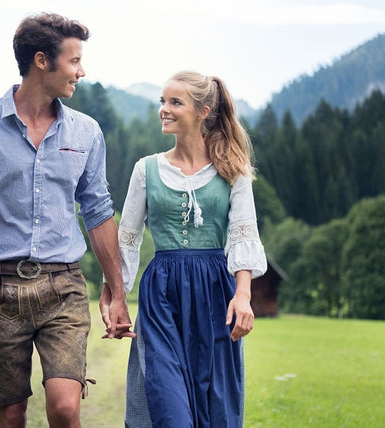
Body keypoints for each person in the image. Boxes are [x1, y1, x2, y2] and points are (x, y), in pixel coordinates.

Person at [0, 12, 134, 428]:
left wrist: (117, 291)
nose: (82, 71)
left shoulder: (87, 132)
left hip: (63, 287)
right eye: (74, 60)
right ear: (42, 61)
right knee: (10, 417)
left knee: (64, 407)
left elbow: (97, 211)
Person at [100, 70, 268, 427]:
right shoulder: (146, 170)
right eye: (162, 101)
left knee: (216, 408)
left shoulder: (233, 171)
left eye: (175, 102)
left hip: (215, 296)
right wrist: (113, 296)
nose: (164, 109)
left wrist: (243, 295)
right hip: (161, 295)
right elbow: (127, 239)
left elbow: (242, 235)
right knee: (168, 405)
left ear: (203, 111)